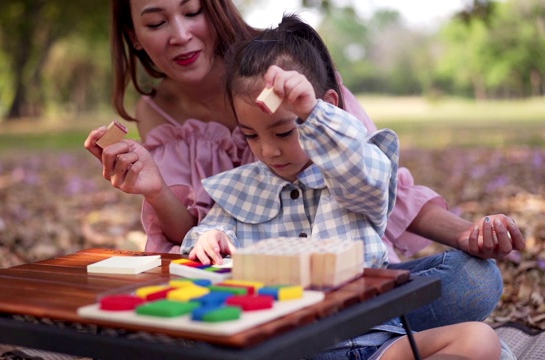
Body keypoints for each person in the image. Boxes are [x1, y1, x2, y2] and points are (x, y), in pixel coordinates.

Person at [84, 0, 524, 334]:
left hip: (353, 274)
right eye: (157, 22)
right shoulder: (159, 115)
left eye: (192, 11)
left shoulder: (292, 64)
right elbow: (198, 231)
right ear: (135, 35)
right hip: (254, 285)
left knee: (473, 279)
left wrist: (467, 233)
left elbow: (377, 180)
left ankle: (346, 334)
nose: (179, 34)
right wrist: (156, 189)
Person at [181, 15, 501, 360]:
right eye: (251, 135)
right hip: (297, 345)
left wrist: (313, 115)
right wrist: (208, 239)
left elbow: (360, 173)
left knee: (478, 331)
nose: (268, 150)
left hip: (380, 341)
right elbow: (211, 232)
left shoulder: (354, 169)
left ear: (328, 106)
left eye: (284, 132)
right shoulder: (240, 188)